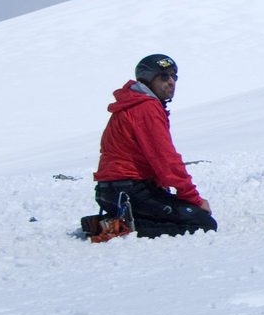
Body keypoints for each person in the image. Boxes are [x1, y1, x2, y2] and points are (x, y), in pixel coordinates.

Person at [93, 54, 218, 238]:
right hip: (129, 190)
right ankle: (113, 229)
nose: (171, 82)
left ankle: (113, 223)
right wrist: (193, 199)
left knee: (182, 213)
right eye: (163, 76)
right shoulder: (146, 108)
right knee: (202, 223)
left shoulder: (135, 104)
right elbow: (165, 159)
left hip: (112, 191)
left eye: (174, 76)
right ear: (148, 79)